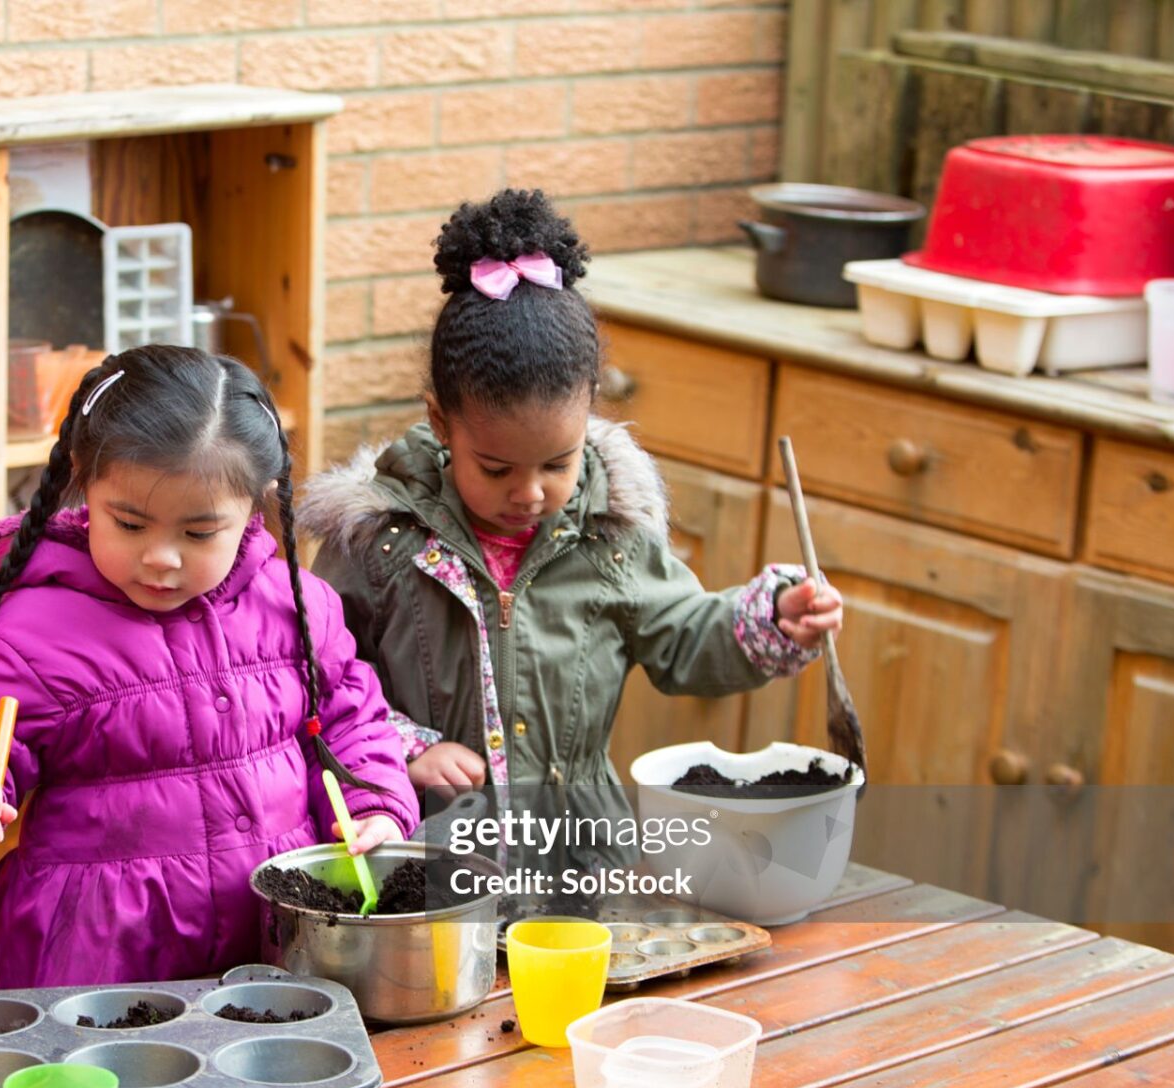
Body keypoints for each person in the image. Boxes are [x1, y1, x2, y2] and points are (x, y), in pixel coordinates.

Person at [303, 189, 844, 869]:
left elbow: (686, 632)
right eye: (496, 468)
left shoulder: (608, 536)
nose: (529, 493)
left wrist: (772, 618)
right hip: (432, 864)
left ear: (589, 411)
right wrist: (409, 749)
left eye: (557, 463)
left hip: (580, 862)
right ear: (442, 425)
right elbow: (319, 678)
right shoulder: (381, 543)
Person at [0, 345, 416, 989]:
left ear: (254, 505)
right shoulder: (37, 629)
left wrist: (376, 807)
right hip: (95, 962)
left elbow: (353, 722)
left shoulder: (296, 608)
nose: (161, 558)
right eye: (130, 523)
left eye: (198, 534)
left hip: (274, 942)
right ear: (85, 479)